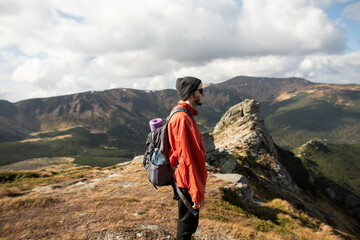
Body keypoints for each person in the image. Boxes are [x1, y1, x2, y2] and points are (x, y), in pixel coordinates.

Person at [167, 76, 207, 240]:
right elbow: (187, 159)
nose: (203, 94)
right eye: (201, 90)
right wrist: (196, 193)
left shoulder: (183, 115)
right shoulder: (182, 119)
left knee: (188, 224)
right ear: (191, 94)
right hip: (186, 181)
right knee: (186, 226)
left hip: (185, 179)